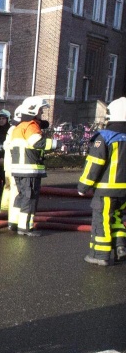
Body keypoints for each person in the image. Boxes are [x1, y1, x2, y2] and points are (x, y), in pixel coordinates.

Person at [77, 97, 126, 266]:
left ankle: (100, 255)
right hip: (124, 192)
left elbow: (94, 164)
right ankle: (121, 248)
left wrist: (83, 186)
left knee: (102, 221)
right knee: (118, 218)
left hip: (106, 190)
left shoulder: (104, 137)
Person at [9, 96, 59, 236]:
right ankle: (25, 227)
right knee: (29, 199)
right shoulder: (31, 125)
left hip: (19, 170)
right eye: (40, 110)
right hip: (29, 170)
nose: (41, 113)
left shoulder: (19, 126)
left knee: (21, 197)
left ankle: (14, 223)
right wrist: (57, 144)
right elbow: (38, 143)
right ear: (33, 110)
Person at [1, 107, 23, 231]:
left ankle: (3, 212)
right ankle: (13, 220)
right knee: (16, 191)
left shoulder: (11, 129)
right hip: (15, 166)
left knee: (8, 188)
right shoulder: (18, 130)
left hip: (8, 165)